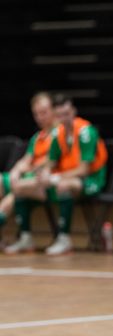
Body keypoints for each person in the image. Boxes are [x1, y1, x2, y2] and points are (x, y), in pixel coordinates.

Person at [6, 94, 107, 255]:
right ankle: (26, 238)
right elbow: (51, 162)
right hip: (64, 178)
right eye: (59, 115)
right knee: (20, 188)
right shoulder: (58, 133)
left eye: (66, 114)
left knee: (63, 185)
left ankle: (64, 239)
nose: (64, 119)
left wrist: (54, 178)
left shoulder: (85, 132)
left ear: (73, 111)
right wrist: (42, 174)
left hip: (91, 181)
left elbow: (84, 170)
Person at [0, 92, 56, 244]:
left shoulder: (61, 135)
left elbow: (52, 161)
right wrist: (15, 171)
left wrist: (31, 170)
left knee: (16, 190)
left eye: (44, 112)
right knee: (2, 181)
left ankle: (24, 238)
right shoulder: (37, 137)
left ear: (54, 110)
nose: (40, 117)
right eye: (36, 114)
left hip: (45, 181)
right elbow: (26, 160)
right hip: (29, 177)